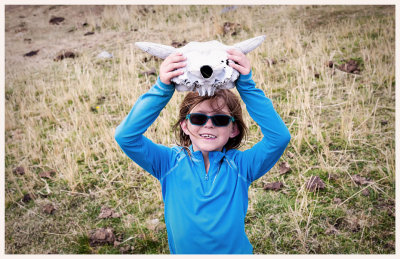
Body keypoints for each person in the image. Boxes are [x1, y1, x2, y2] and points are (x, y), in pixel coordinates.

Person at [115, 48, 291, 254]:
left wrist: (246, 85)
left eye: (220, 119)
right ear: (185, 125)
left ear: (233, 129)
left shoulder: (242, 166)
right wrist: (163, 88)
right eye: (198, 118)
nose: (209, 125)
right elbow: (126, 136)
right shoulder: (168, 163)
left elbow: (279, 137)